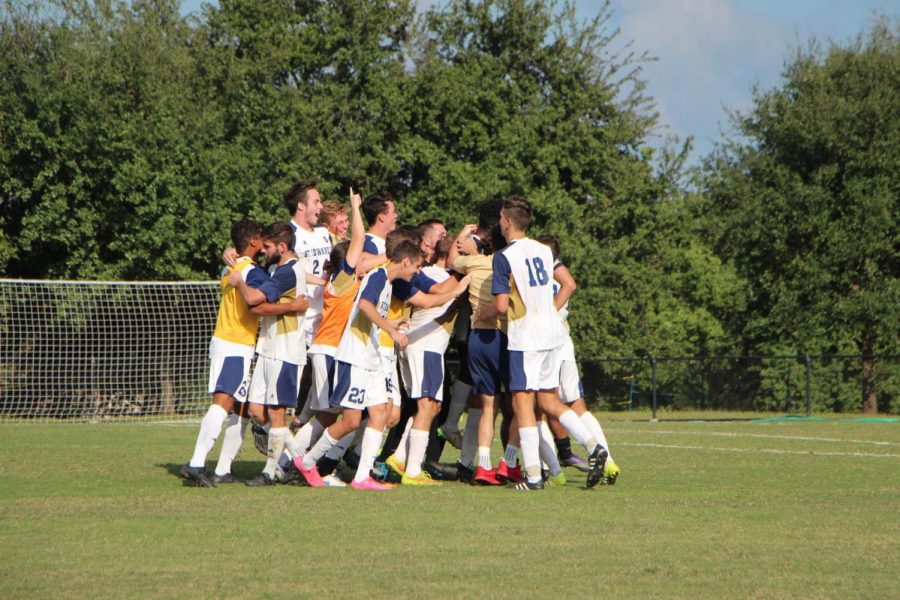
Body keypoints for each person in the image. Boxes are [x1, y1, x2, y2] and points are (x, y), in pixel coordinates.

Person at [491, 196, 608, 490]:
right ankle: (594, 446)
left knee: (523, 404)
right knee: (548, 401)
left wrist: (486, 311)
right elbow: (568, 282)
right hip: (552, 334)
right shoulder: (544, 250)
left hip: (525, 337)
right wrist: (549, 311)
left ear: (507, 221)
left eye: (501, 218)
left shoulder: (504, 256)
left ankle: (532, 477)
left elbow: (502, 306)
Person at [181, 219, 305, 488]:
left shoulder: (231, 266)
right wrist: (294, 305)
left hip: (235, 343)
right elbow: (258, 300)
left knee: (241, 409)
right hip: (234, 343)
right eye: (263, 240)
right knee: (222, 403)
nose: (265, 245)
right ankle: (196, 463)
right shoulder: (252, 272)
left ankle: (223, 469)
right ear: (253, 242)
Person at [295, 241, 425, 490]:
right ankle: (308, 462)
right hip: (354, 357)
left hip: (371, 358)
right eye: (417, 266)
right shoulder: (378, 276)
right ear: (406, 261)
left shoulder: (386, 282)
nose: (417, 272)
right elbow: (365, 306)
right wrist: (391, 330)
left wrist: (392, 321)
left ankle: (362, 476)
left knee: (381, 413)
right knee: (351, 421)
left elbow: (370, 312)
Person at [226, 223, 310, 486]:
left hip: (285, 350)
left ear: (282, 247)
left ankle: (270, 472)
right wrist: (229, 252)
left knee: (276, 413)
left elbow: (254, 303)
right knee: (256, 410)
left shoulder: (288, 273)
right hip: (268, 347)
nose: (263, 249)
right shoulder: (276, 268)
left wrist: (240, 283)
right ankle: (301, 458)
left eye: (269, 246)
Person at [537, 235, 620, 485]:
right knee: (577, 405)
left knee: (537, 407)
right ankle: (608, 461)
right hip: (564, 339)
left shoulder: (540, 271)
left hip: (546, 341)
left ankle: (550, 471)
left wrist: (544, 317)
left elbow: (566, 286)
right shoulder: (555, 272)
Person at [447, 219, 507, 486]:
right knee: (521, 405)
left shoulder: (476, 263)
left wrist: (461, 237)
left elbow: (451, 260)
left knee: (486, 404)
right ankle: (526, 465)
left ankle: (478, 465)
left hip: (478, 337)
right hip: (505, 336)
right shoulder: (508, 263)